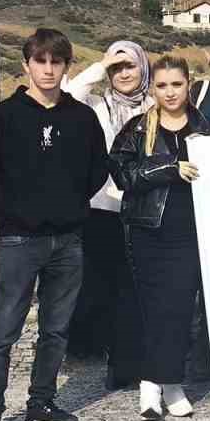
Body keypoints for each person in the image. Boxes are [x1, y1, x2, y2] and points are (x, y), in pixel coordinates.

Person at [0, 28, 108, 421]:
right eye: (40, 61)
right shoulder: (2, 118)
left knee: (56, 329)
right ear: (26, 65)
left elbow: (96, 170)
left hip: (68, 240)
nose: (48, 69)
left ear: (66, 67)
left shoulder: (81, 118)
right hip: (18, 242)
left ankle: (41, 404)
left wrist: (70, 206)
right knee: (3, 330)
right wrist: (7, 214)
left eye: (56, 62)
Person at [109, 56, 210, 421]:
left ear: (189, 86)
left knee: (181, 310)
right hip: (149, 231)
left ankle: (166, 382)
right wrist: (169, 168)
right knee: (156, 310)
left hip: (191, 233)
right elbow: (124, 174)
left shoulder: (204, 125)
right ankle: (155, 387)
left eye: (177, 85)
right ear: (153, 89)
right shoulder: (138, 130)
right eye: (162, 86)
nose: (170, 93)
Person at [62, 40, 151, 388]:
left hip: (145, 208)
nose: (124, 73)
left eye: (130, 65)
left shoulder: (155, 103)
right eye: (117, 68)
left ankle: (142, 361)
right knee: (108, 288)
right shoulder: (98, 106)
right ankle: (114, 362)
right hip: (104, 208)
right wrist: (100, 66)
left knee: (139, 289)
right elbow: (69, 95)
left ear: (144, 67)